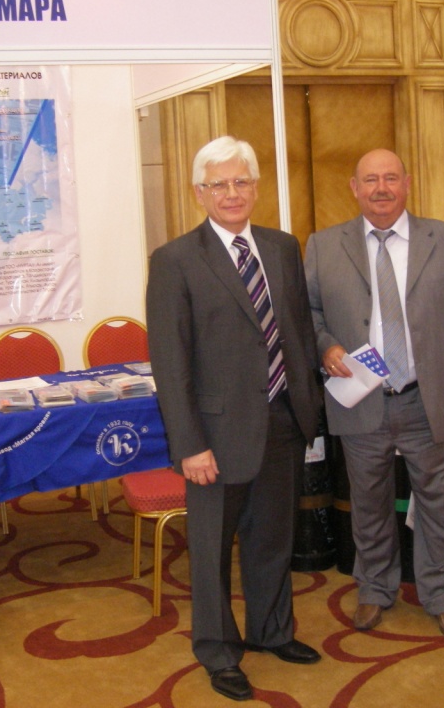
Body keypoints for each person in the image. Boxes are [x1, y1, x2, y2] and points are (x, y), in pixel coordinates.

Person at [145, 136, 323, 702]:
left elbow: (296, 332)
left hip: (282, 421)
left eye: (240, 181)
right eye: (218, 184)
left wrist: (309, 410)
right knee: (212, 550)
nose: (231, 193)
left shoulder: (281, 247)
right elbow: (170, 362)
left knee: (273, 539)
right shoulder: (175, 260)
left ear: (255, 187)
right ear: (199, 193)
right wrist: (189, 444)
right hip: (215, 437)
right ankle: (219, 651)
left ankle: (272, 630)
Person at [305, 148, 444, 639]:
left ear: (407, 183)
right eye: (370, 180)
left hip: (426, 399)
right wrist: (326, 346)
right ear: (354, 188)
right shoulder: (323, 246)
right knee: (368, 503)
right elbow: (309, 315)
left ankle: (443, 594)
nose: (380, 188)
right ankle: (374, 589)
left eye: (390, 178)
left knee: (438, 502)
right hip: (361, 398)